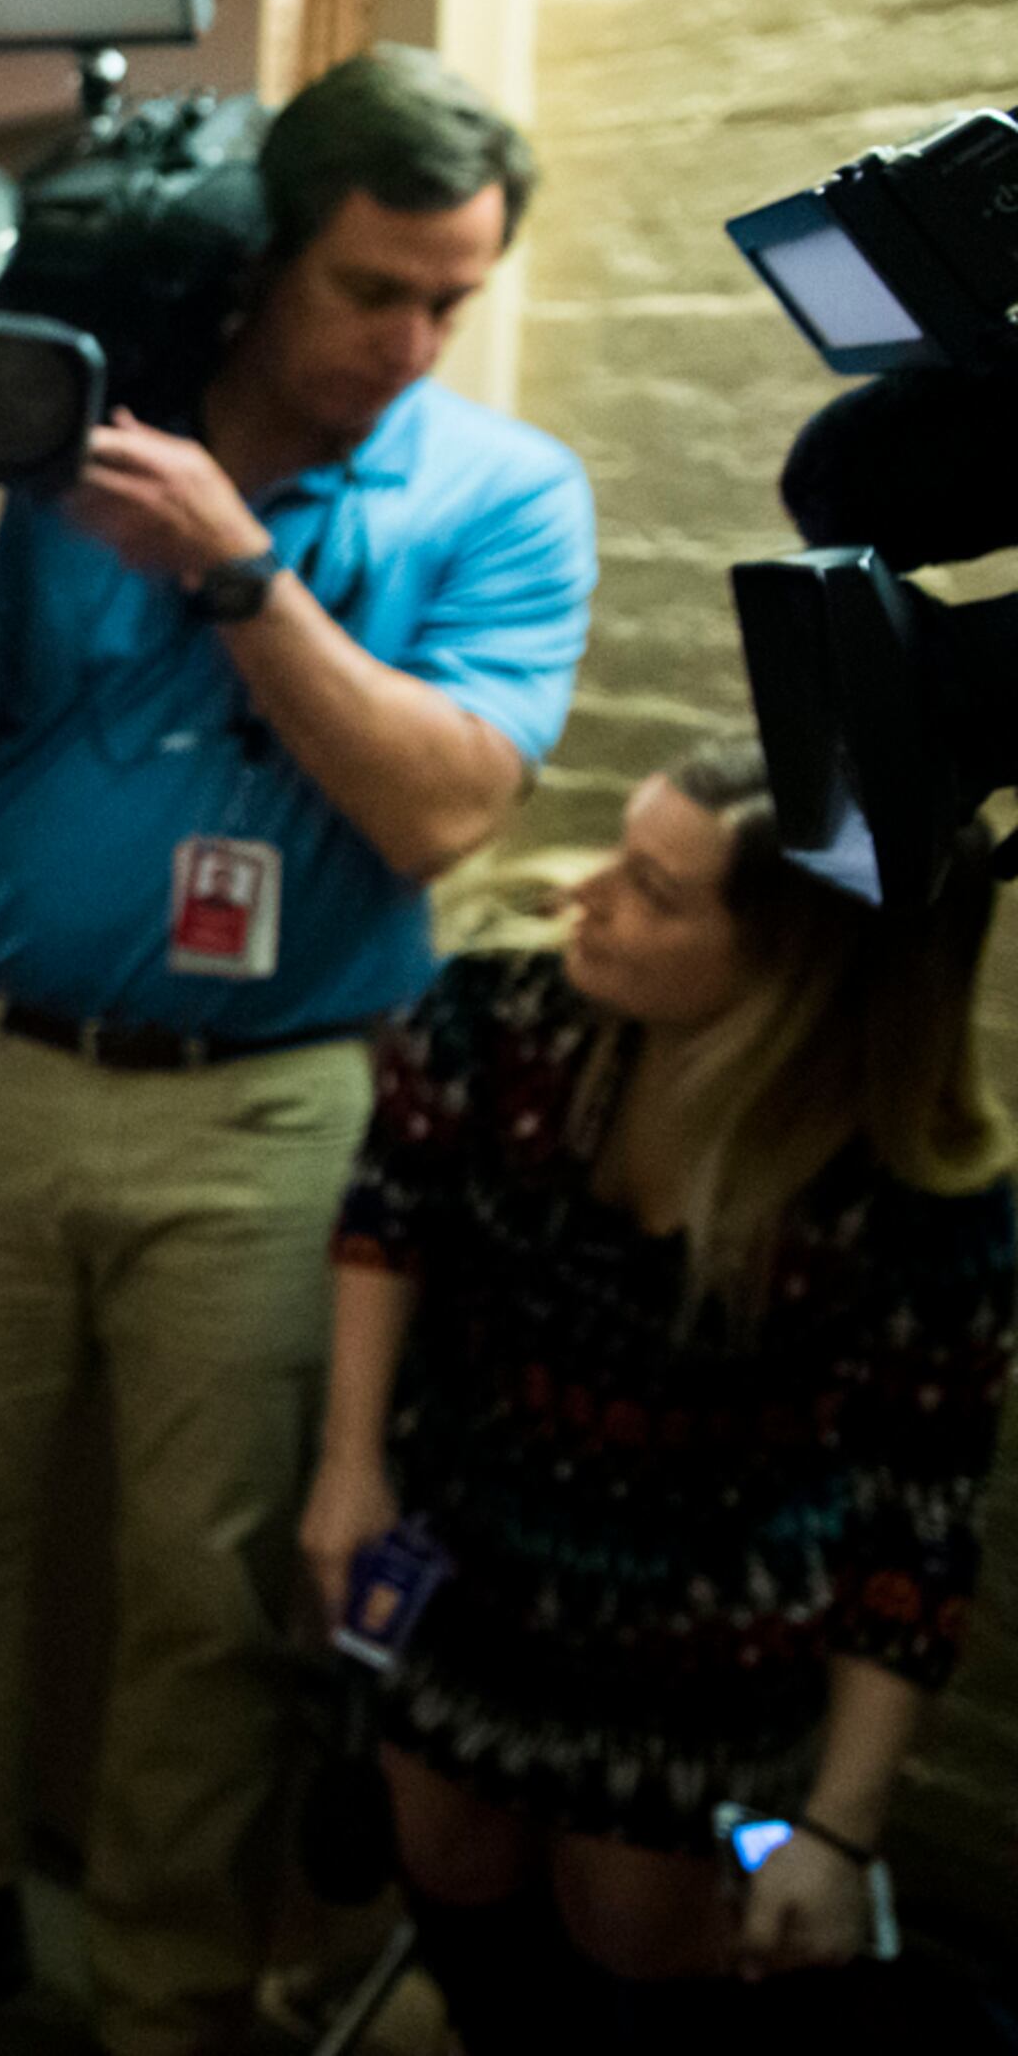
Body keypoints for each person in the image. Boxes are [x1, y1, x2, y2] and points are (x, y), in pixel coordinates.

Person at [0, 46, 600, 2056]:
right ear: (258, 264)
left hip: (274, 1108)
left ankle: (159, 1984)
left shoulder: (499, 495)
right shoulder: (52, 443)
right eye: (368, 288)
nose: (409, 340)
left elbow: (438, 807)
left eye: (450, 298)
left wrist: (244, 572)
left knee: (208, 1584)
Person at [300, 737, 1015, 2049]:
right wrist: (352, 1463)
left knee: (638, 1936)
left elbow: (918, 1529)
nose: (583, 895)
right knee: (453, 1877)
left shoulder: (912, 1200)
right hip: (462, 1571)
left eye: (654, 890)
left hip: (709, 1653)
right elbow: (386, 1211)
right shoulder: (505, 1020)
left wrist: (838, 1830)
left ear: (801, 975)